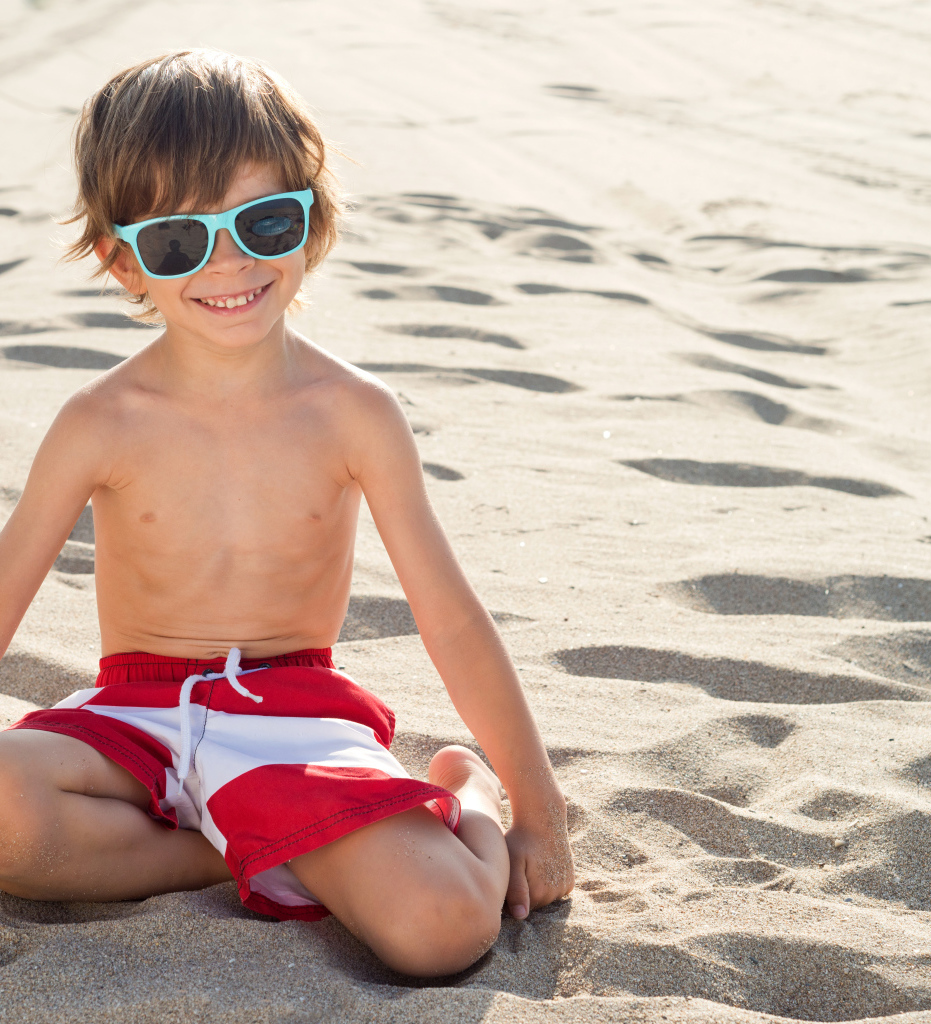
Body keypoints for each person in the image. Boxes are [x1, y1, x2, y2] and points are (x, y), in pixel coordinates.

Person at [0, 50, 573, 977]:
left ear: (313, 223)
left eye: (264, 223)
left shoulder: (354, 414)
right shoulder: (98, 422)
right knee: (6, 816)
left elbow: (452, 618)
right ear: (120, 258)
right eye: (180, 242)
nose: (229, 265)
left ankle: (450, 795)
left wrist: (539, 812)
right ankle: (251, 848)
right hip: (135, 718)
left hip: (294, 718)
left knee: (440, 930)